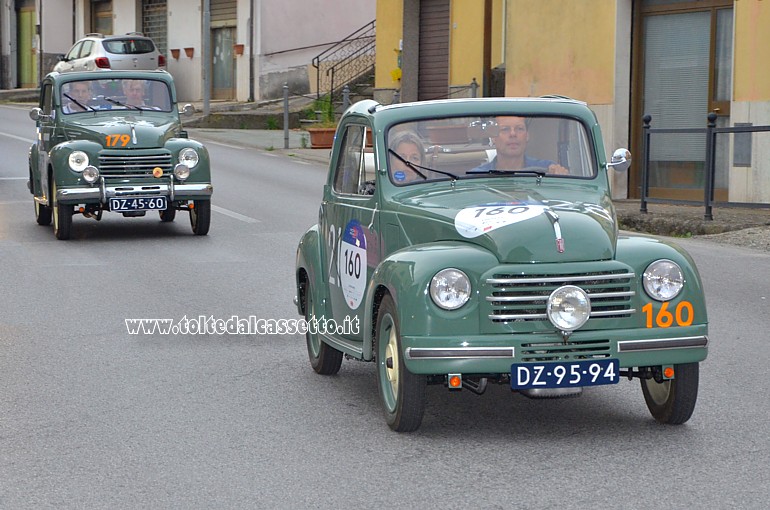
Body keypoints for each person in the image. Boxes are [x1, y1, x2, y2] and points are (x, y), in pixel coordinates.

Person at [470, 116, 568, 175]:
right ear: (493, 138)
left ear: (527, 136)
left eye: (519, 129)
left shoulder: (547, 170)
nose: (513, 134)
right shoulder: (477, 176)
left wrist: (562, 176)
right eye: (505, 129)